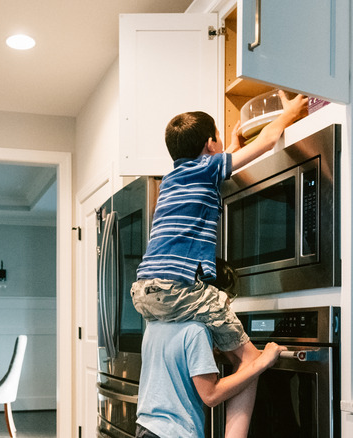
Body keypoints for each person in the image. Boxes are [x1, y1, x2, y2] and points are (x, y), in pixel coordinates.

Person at [131, 90, 308, 438]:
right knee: (250, 360)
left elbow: (224, 164)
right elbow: (271, 137)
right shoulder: (208, 166)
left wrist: (232, 143)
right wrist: (290, 112)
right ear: (211, 145)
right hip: (179, 285)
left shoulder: (171, 180)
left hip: (144, 292)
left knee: (228, 355)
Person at [135, 320, 284, 438]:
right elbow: (211, 395)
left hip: (146, 427)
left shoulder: (154, 323)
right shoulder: (196, 330)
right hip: (174, 432)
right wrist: (263, 361)